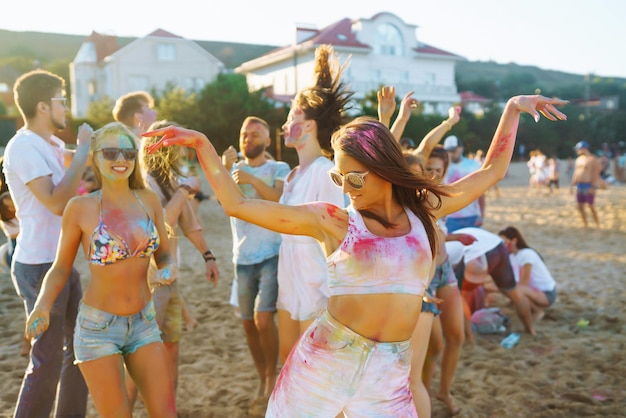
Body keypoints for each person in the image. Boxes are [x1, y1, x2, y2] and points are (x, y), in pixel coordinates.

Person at [143, 93, 567, 416]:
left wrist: (511, 109)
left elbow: (490, 171)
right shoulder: (333, 220)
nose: (344, 187)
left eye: (353, 177)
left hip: (390, 371)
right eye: (337, 176)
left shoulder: (424, 211)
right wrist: (201, 145)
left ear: (383, 168)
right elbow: (239, 205)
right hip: (325, 360)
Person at [25, 121, 178, 417]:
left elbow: (165, 256)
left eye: (128, 153)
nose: (121, 160)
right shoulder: (80, 208)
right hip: (98, 330)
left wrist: (168, 270)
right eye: (110, 153)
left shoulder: (148, 201)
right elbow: (60, 268)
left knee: (166, 413)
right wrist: (42, 306)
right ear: (94, 157)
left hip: (144, 324)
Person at [4, 69, 90, 417]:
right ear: (43, 106)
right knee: (47, 360)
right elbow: (56, 201)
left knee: (80, 349)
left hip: (61, 261)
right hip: (38, 265)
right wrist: (83, 150)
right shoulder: (23, 146)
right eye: (61, 101)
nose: (66, 108)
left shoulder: (50, 145)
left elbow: (84, 165)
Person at [129, 119, 219, 407]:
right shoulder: (143, 183)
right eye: (175, 146)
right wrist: (183, 193)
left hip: (170, 280)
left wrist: (208, 256)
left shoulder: (170, 180)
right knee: (139, 352)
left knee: (172, 347)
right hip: (147, 284)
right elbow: (160, 225)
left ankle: (168, 409)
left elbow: (189, 224)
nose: (180, 152)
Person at [275, 44, 351, 363]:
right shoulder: (293, 176)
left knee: (313, 372)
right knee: (289, 362)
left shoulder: (324, 171)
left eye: (292, 115)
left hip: (315, 286)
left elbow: (338, 236)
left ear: (307, 126)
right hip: (288, 281)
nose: (284, 124)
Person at [221, 116, 290, 399]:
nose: (248, 139)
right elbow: (225, 203)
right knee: (248, 322)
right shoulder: (233, 169)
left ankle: (273, 374)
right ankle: (262, 373)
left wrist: (249, 178)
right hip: (243, 256)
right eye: (244, 134)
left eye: (254, 135)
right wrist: (224, 171)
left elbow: (276, 198)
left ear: (267, 140)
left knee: (263, 320)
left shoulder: (279, 167)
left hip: (272, 253)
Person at [445, 225, 540, 336]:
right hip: (496, 244)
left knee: (460, 297)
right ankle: (530, 330)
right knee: (513, 292)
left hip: (475, 253)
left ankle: (469, 338)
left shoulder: (436, 253)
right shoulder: (445, 239)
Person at [498, 226, 557, 322]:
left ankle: (538, 311)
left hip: (546, 294)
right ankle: (521, 304)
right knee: (502, 286)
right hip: (531, 291)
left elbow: (524, 282)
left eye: (504, 243)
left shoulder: (527, 254)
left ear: (514, 241)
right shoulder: (512, 257)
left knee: (514, 289)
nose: (502, 247)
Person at [442, 134, 486, 232]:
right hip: (450, 217)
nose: (451, 154)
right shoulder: (442, 167)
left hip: (472, 215)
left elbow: (481, 192)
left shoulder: (473, 165)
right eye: (448, 151)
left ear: (461, 148)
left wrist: (481, 215)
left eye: (453, 150)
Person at [571, 141, 601, 227]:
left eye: (578, 149)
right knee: (580, 206)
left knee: (591, 206)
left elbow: (596, 173)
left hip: (588, 185)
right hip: (579, 185)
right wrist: (572, 185)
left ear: (584, 148)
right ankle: (585, 224)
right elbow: (576, 173)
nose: (577, 151)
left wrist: (593, 186)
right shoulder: (578, 159)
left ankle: (597, 224)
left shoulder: (592, 159)